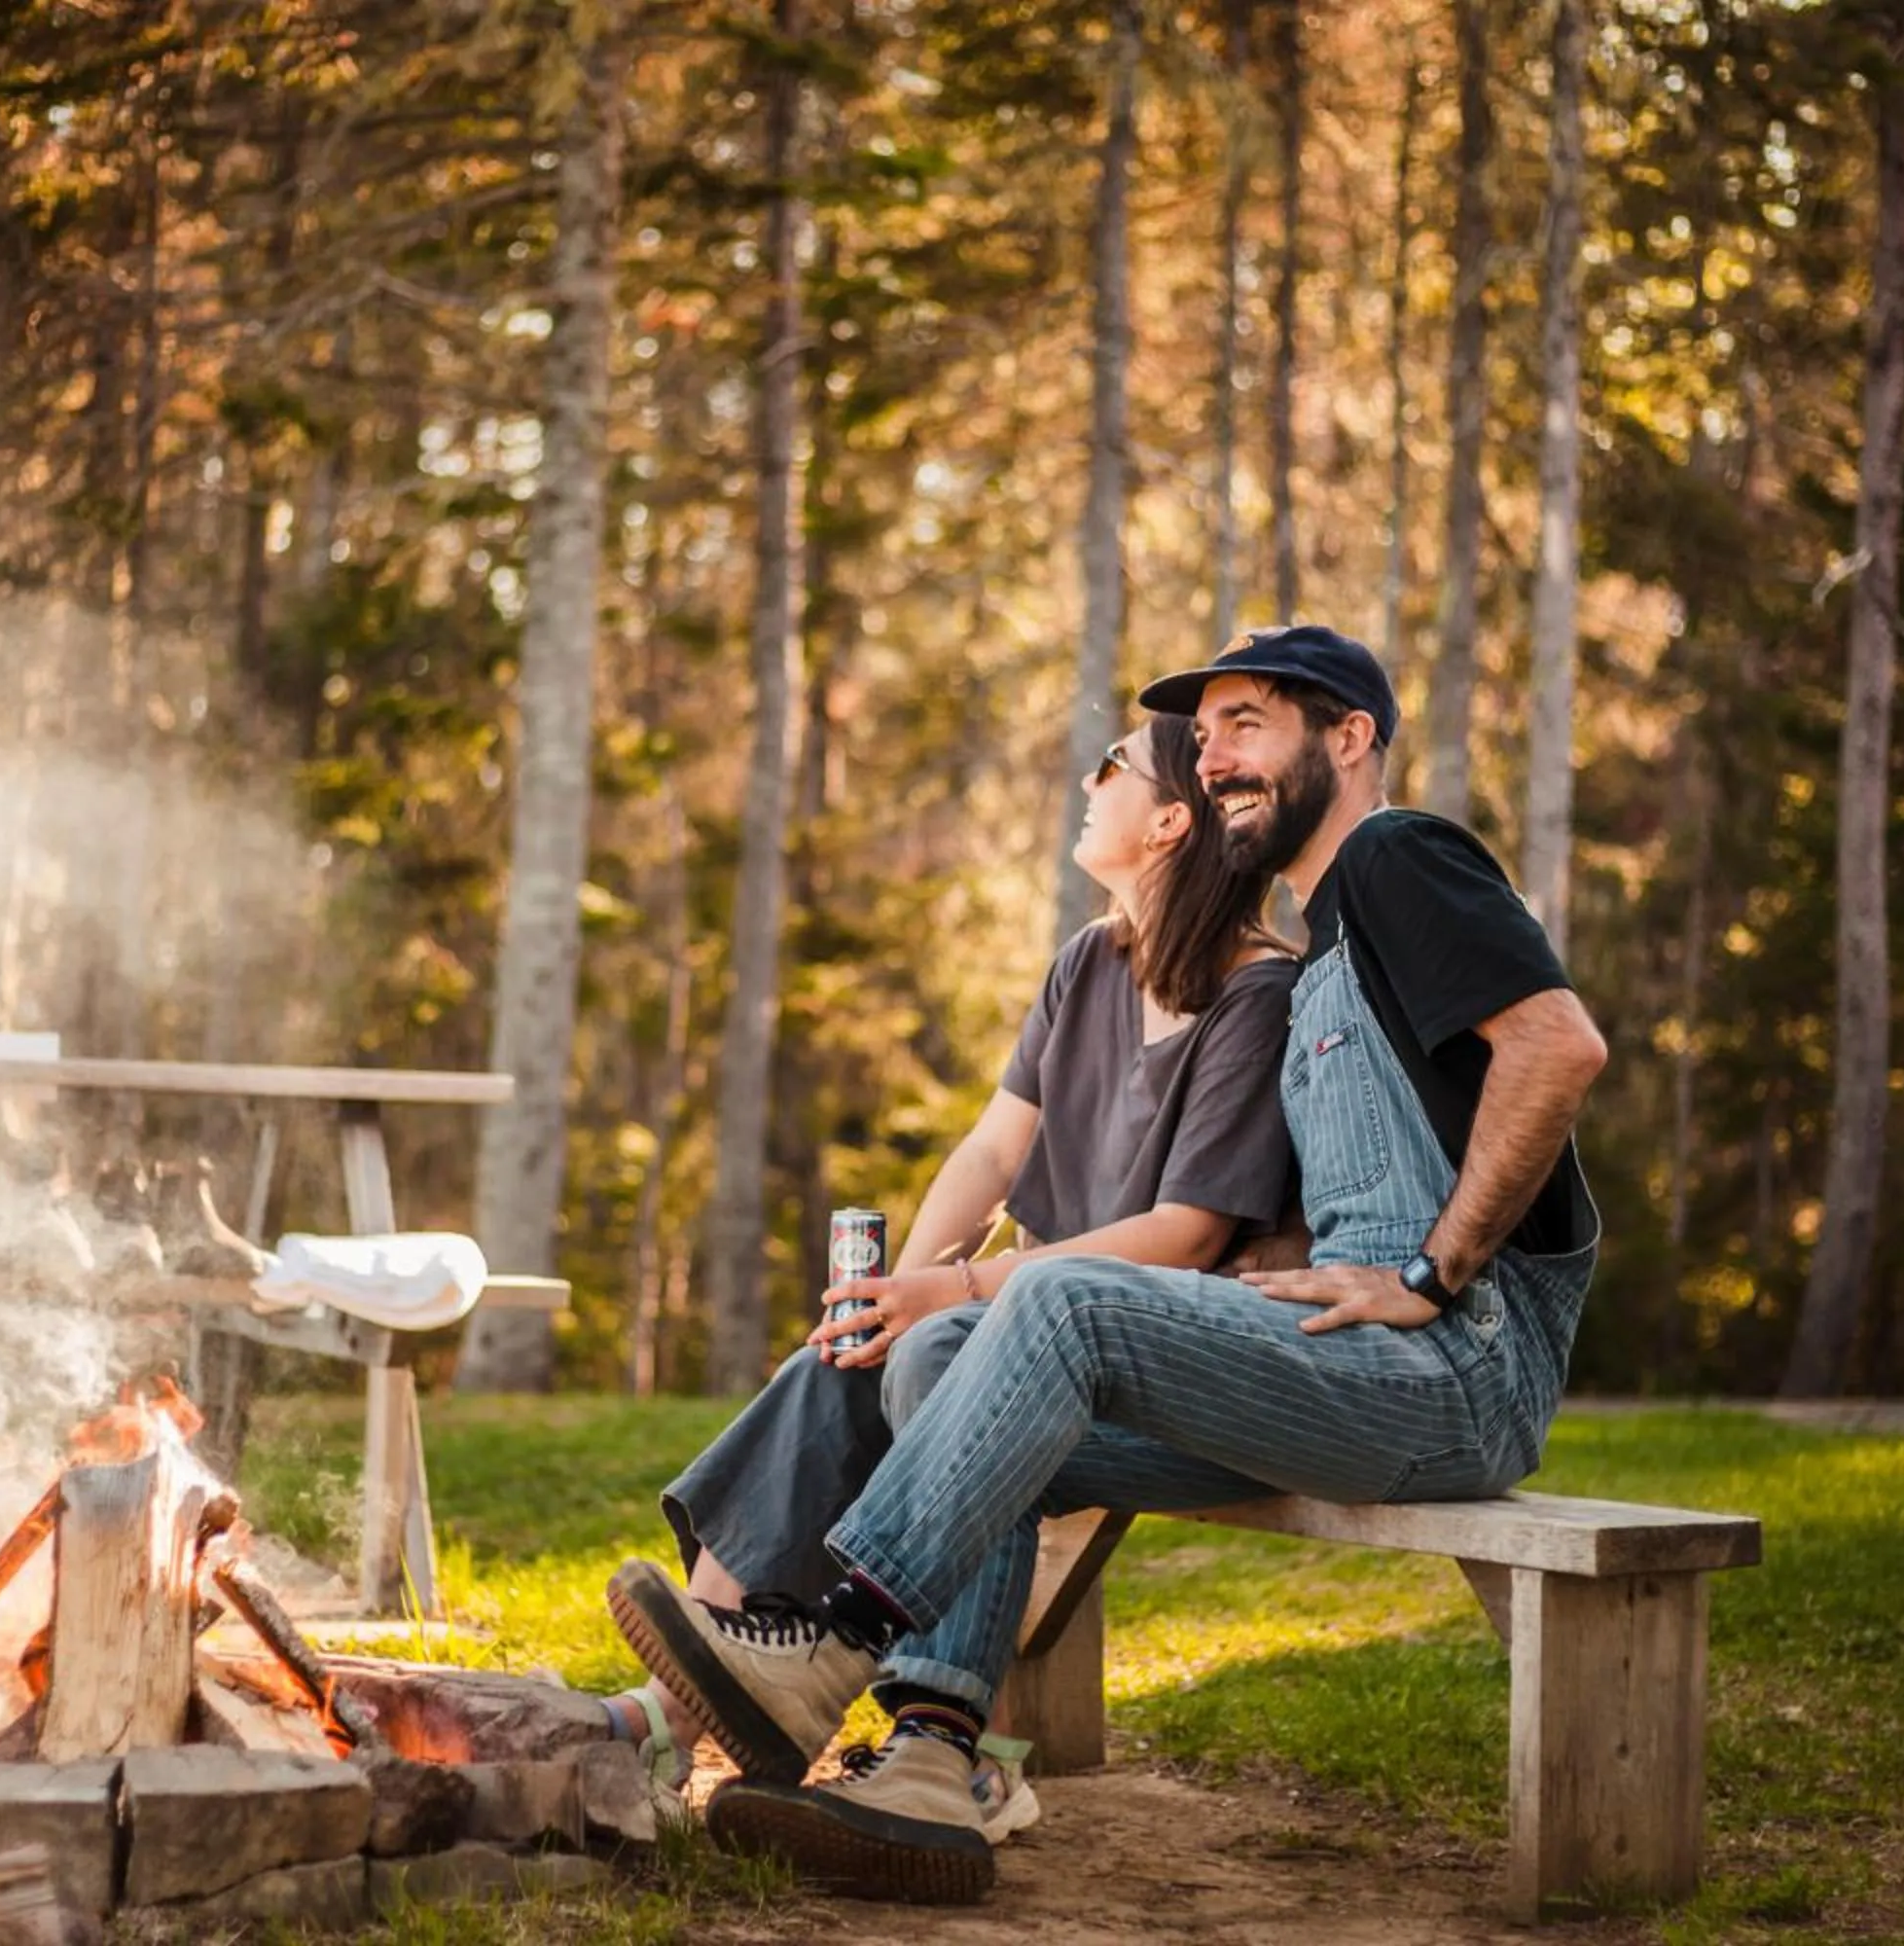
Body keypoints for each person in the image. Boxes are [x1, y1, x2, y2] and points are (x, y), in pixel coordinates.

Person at [603, 624, 1608, 1904]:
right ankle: (929, 1760)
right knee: (964, 1361)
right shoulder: (1320, 949)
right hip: (1338, 1361)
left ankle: (828, 1653)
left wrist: (1431, 1271)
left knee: (1059, 1297)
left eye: (1251, 722)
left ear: (1351, 740)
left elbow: (1558, 1049)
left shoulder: (1400, 862)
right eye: (1209, 732)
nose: (1219, 754)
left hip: (1452, 1366)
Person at [601, 708, 1303, 1840]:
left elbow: (1188, 1233)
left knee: (934, 1344)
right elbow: (992, 1149)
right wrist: (907, 1282)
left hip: (1166, 1364)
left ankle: (939, 1743)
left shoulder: (1257, 998)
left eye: (1110, 766)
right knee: (864, 1349)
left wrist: (948, 1299)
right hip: (1020, 1331)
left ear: (1173, 817)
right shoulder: (1092, 961)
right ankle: (670, 1717)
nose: (1087, 778)